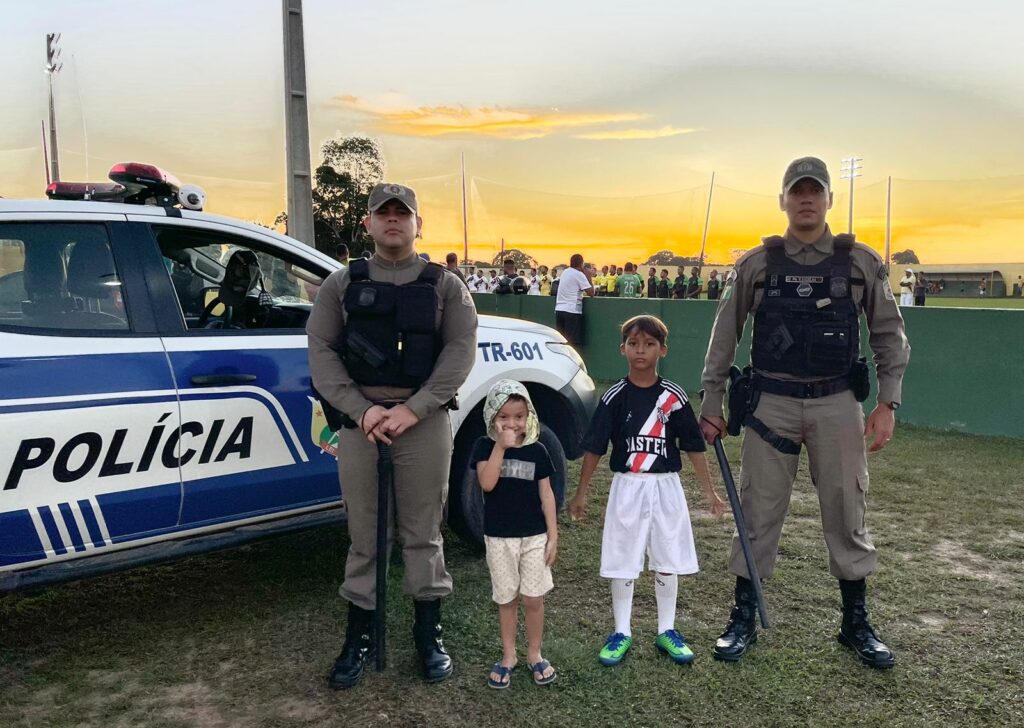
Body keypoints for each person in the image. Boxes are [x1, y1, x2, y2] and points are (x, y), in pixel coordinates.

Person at [699, 156, 910, 670]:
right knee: (757, 510)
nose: (806, 199)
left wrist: (887, 401)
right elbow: (725, 333)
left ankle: (854, 622)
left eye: (815, 191)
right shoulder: (758, 263)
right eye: (798, 191)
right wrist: (711, 398)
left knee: (846, 507)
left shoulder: (859, 260)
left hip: (838, 404)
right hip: (771, 403)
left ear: (829, 200)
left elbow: (888, 332)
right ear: (784, 200)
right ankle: (743, 617)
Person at [307, 182, 479, 689]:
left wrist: (414, 408)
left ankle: (429, 636)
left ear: (418, 224)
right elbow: (322, 352)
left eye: (402, 213)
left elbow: (458, 353)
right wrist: (362, 412)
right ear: (367, 224)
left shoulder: (446, 286)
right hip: (363, 424)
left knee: (423, 532)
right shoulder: (342, 284)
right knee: (365, 536)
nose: (392, 220)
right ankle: (358, 637)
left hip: (422, 424)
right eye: (383, 213)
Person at [569, 315, 728, 667]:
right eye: (634, 343)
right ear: (622, 348)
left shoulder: (673, 397)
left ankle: (666, 630)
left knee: (668, 556)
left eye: (649, 344)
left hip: (665, 486)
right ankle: (621, 631)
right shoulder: (614, 396)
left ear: (663, 350)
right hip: (628, 485)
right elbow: (595, 447)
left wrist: (709, 492)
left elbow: (693, 446)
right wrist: (581, 492)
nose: (641, 351)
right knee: (623, 558)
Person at [473, 380, 559, 688]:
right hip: (499, 537)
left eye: (519, 416)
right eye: (504, 417)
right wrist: (500, 445)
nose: (512, 423)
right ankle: (508, 655)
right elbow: (487, 483)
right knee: (507, 598)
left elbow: (547, 495)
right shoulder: (485, 447)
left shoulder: (538, 451)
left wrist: (553, 535)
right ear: (492, 417)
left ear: (529, 416)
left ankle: (534, 653)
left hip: (534, 537)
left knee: (533, 598)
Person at [554, 253, 595, 346]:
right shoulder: (579, 274)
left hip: (559, 310)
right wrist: (588, 276)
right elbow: (591, 293)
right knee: (572, 344)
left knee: (561, 342)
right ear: (581, 264)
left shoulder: (565, 272)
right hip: (572, 311)